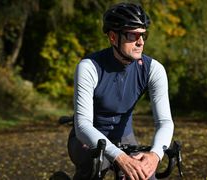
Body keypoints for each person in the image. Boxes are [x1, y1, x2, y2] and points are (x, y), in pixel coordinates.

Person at [67, 2, 174, 180]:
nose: (140, 42)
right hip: (86, 138)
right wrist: (119, 157)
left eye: (143, 35)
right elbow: (82, 126)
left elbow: (165, 122)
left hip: (124, 136)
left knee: (144, 175)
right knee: (95, 167)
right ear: (112, 37)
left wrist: (155, 155)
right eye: (133, 35)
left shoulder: (154, 69)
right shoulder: (89, 67)